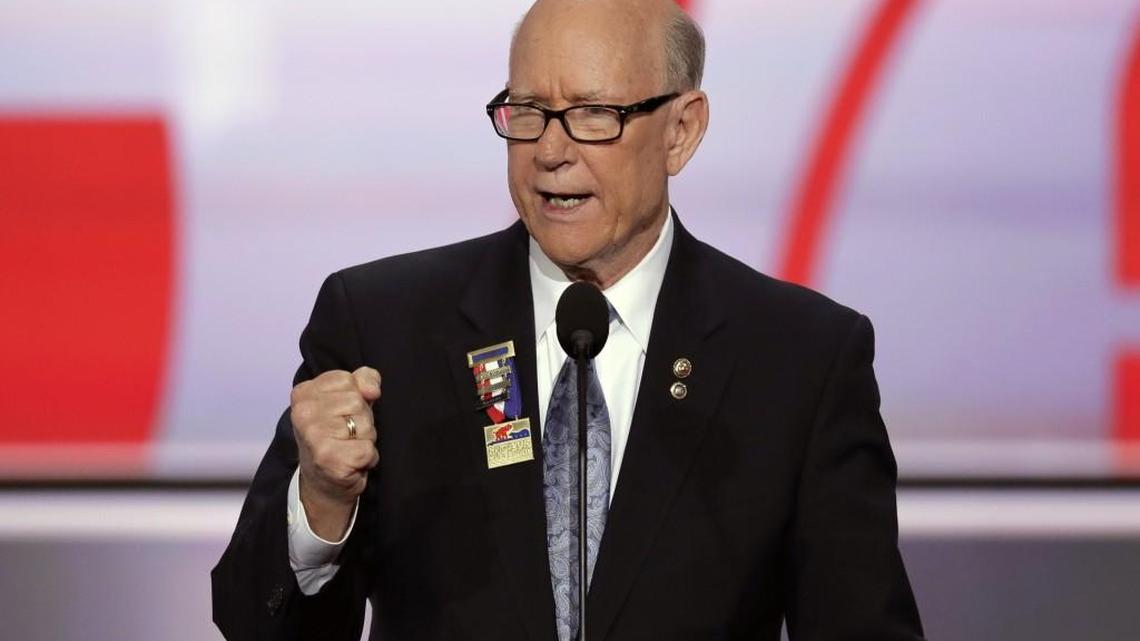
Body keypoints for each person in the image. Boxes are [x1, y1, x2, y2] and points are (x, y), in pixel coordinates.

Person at [212, 0, 926, 639]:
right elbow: (253, 623)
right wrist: (322, 506)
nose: (551, 151)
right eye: (527, 111)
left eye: (594, 114)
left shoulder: (800, 359)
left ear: (681, 130)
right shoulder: (384, 328)